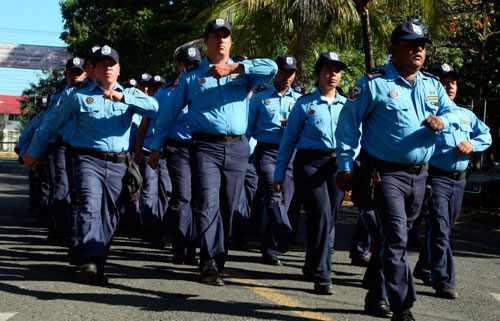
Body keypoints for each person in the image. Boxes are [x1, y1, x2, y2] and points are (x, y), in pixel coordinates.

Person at [335, 22, 461, 321]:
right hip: (384, 175)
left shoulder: (432, 85)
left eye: (422, 45)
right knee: (396, 240)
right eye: (410, 44)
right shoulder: (373, 83)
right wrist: (344, 165)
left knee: (390, 240)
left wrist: (443, 122)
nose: (418, 49)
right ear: (393, 48)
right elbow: (348, 126)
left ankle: (375, 295)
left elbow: (455, 112)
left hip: (421, 176)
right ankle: (403, 307)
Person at [149, 18, 277, 286]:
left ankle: (217, 258)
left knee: (229, 207)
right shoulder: (192, 76)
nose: (220, 40)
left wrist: (236, 67)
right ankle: (207, 261)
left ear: (231, 41)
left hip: (238, 147)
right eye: (214, 36)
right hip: (204, 146)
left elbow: (273, 69)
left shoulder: (245, 72)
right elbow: (168, 114)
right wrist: (155, 147)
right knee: (207, 201)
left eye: (225, 36)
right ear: (205, 41)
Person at [23, 45, 158, 285]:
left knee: (111, 215)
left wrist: (123, 97)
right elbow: (51, 124)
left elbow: (155, 108)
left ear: (118, 69)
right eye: (102, 65)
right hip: (87, 161)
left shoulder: (130, 94)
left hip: (118, 164)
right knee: (89, 205)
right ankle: (90, 259)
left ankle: (98, 257)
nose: (108, 68)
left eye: (112, 64)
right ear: (93, 70)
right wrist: (33, 152)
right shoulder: (78, 96)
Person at [413, 63, 491, 299]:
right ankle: (444, 279)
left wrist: (472, 145)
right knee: (439, 228)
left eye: (452, 82)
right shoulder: (424, 115)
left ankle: (425, 267)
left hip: (460, 181)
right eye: (444, 82)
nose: (449, 87)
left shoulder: (464, 114)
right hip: (436, 178)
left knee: (444, 227)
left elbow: (485, 134)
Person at [274, 51, 346, 295]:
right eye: (327, 70)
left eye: (336, 70)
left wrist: (350, 165)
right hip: (309, 163)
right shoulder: (305, 104)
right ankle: (323, 274)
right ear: (318, 75)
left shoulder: (347, 106)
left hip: (336, 165)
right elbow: (288, 141)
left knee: (328, 216)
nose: (332, 74)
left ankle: (312, 263)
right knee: (322, 213)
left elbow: (354, 138)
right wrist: (279, 174)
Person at [247, 54, 302, 266]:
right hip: (266, 151)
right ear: (275, 72)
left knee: (284, 202)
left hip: (290, 154)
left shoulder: (300, 100)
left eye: (291, 72)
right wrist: (246, 155)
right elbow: (249, 129)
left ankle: (271, 249)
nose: (287, 76)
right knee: (273, 192)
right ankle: (285, 232)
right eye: (284, 71)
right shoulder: (260, 97)